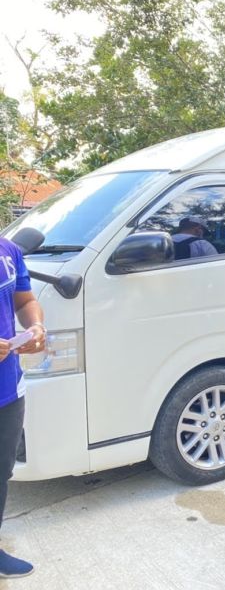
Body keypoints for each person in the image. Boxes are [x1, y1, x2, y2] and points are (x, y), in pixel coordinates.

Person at [0, 236, 46, 578]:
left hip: (7, 389)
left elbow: (25, 300)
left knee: (1, 473)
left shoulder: (9, 250)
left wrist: (36, 327)